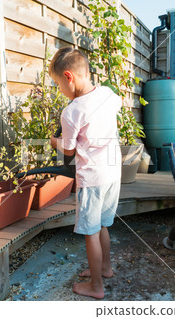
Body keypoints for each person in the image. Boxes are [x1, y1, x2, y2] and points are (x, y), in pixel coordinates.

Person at [49, 47, 122, 299]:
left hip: (92, 178)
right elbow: (116, 106)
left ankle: (96, 286)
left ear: (69, 77)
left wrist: (53, 142)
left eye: (58, 85)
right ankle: (105, 268)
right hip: (113, 173)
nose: (60, 91)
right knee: (103, 225)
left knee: (90, 231)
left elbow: (68, 151)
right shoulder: (108, 94)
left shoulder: (71, 112)